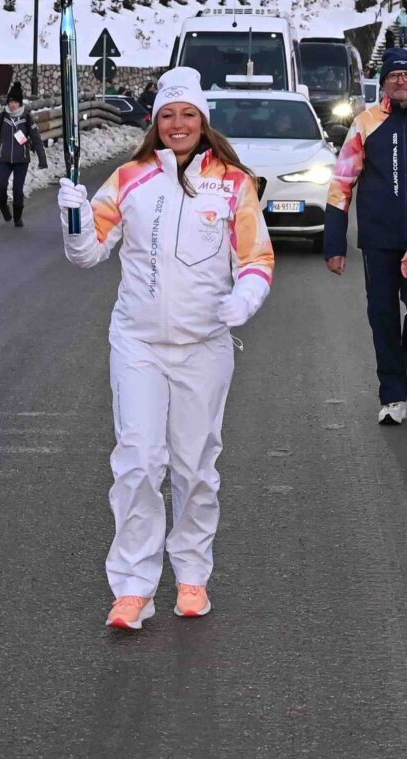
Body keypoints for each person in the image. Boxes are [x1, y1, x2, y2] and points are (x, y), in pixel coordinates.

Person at [58, 67, 275, 631]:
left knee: (194, 467)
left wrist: (245, 297)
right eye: (168, 115)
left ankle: (192, 573)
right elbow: (86, 255)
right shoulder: (129, 178)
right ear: (155, 122)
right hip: (138, 343)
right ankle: (133, 586)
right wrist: (75, 216)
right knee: (137, 461)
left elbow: (257, 257)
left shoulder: (232, 182)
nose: (178, 124)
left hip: (205, 346)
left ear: (202, 121)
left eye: (188, 115)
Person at [324, 48, 407, 422]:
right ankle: (392, 395)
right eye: (393, 75)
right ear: (383, 82)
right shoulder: (365, 123)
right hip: (378, 238)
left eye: (406, 75)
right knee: (382, 314)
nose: (400, 81)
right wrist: (334, 242)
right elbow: (342, 182)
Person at [0, 87, 48, 227]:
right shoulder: (2, 117)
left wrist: (42, 159)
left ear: (20, 103)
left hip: (21, 159)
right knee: (1, 186)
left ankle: (17, 216)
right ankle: (3, 207)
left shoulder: (27, 117)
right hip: (4, 158)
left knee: (17, 190)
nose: (12, 104)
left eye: (15, 102)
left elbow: (36, 139)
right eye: (10, 101)